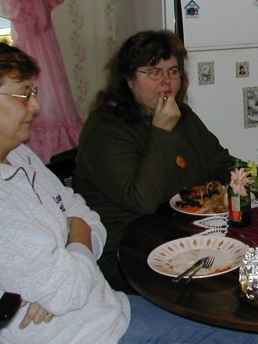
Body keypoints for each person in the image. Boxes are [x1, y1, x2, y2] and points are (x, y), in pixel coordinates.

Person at [0, 34, 258, 344]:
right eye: (24, 94)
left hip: (106, 311)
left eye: (33, 93)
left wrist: (71, 242)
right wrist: (71, 252)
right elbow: (68, 282)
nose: (35, 106)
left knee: (240, 338)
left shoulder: (18, 155)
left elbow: (85, 215)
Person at [73, 31, 235, 292]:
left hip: (181, 236)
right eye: (153, 72)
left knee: (243, 269)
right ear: (128, 79)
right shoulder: (106, 129)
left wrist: (256, 177)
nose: (167, 83)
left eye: (173, 71)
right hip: (126, 252)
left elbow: (221, 162)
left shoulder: (182, 115)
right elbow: (143, 200)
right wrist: (161, 132)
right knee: (220, 291)